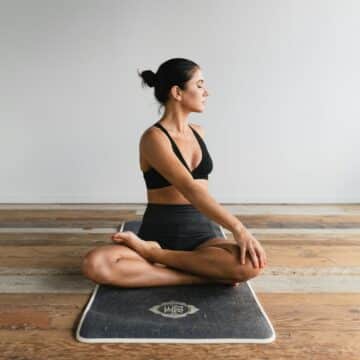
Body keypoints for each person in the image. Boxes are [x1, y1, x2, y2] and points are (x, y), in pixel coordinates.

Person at [81, 58, 267, 288]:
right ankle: (198, 273)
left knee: (251, 263)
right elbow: (189, 188)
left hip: (202, 236)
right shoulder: (153, 138)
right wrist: (239, 229)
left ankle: (158, 259)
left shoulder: (199, 132)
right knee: (97, 264)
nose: (206, 92)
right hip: (158, 233)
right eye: (199, 85)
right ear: (177, 92)